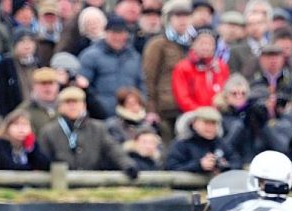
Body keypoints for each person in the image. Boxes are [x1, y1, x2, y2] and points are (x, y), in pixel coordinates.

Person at [39, 86, 138, 177]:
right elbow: (43, 160)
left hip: (92, 182)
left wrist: (127, 165)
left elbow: (113, 150)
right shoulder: (48, 131)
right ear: (60, 107)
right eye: (68, 102)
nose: (72, 106)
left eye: (76, 102)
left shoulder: (98, 128)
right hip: (60, 184)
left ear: (84, 105)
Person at [142, 0, 194, 142]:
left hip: (190, 107)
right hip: (165, 109)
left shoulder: (195, 43)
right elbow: (148, 78)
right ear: (169, 19)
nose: (183, 20)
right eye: (178, 16)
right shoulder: (157, 44)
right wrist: (151, 109)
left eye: (186, 16)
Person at [78, 14, 144, 119]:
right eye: (114, 33)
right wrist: (97, 106)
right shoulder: (90, 56)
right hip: (100, 116)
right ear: (106, 33)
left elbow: (141, 85)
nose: (117, 37)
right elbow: (84, 86)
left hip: (129, 115)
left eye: (121, 33)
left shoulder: (134, 57)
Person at [165, 106, 241, 174]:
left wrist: (225, 167)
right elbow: (171, 168)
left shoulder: (221, 143)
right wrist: (199, 165)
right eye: (206, 123)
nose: (210, 127)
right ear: (194, 124)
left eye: (213, 123)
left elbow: (237, 161)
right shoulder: (181, 144)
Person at [172, 27, 230, 114]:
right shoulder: (183, 68)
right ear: (193, 45)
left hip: (218, 113)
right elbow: (183, 98)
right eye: (202, 43)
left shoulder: (221, 66)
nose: (206, 47)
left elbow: (226, 90)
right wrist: (202, 112)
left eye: (210, 44)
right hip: (192, 114)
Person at [0, 28, 38, 117]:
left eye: (30, 41)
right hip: (12, 114)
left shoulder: (38, 64)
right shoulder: (5, 65)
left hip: (34, 113)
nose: (27, 45)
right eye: (22, 41)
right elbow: (1, 95)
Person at [14, 66, 59, 135]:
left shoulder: (65, 107)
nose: (47, 87)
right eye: (43, 83)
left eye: (51, 83)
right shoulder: (24, 110)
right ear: (34, 86)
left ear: (57, 86)